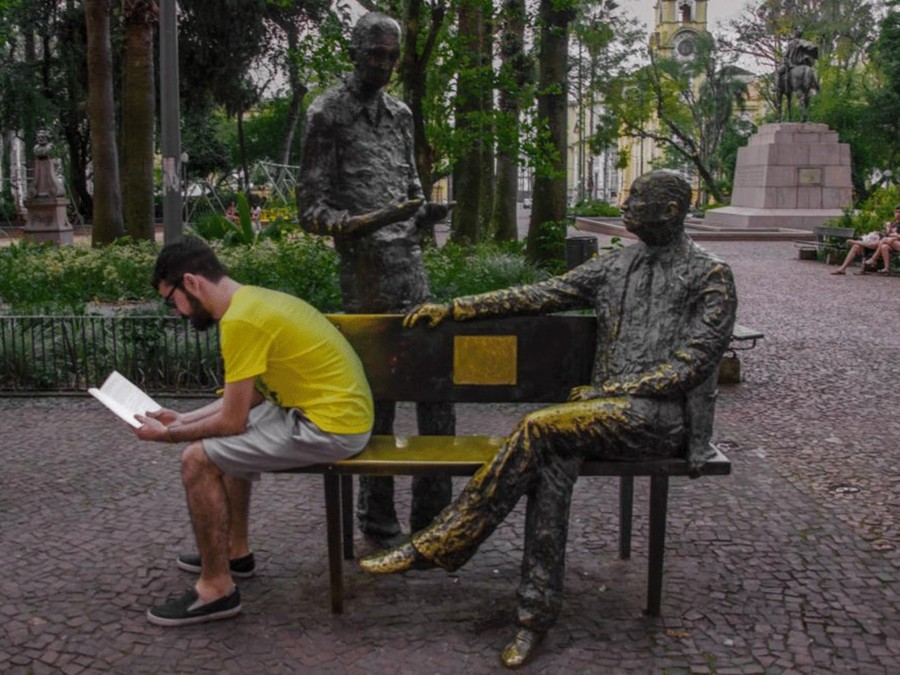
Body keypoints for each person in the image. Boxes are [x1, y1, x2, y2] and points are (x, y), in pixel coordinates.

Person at [359, 171, 738, 668]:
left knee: (541, 427)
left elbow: (695, 363)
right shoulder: (616, 265)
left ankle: (439, 544)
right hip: (593, 417)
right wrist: (454, 308)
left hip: (661, 421)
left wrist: (612, 391)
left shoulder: (710, 274)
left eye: (636, 198)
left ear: (670, 211)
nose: (625, 205)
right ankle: (533, 617)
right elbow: (537, 294)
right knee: (550, 461)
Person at [135, 237, 374, 626]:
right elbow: (253, 398)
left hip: (331, 426)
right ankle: (235, 553)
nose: (176, 312)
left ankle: (216, 590)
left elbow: (233, 421)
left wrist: (171, 436)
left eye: (171, 300)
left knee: (196, 460)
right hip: (326, 413)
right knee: (216, 444)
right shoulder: (253, 302)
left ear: (191, 283)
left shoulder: (241, 322)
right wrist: (183, 419)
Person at [296, 11, 455, 549]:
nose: (385, 65)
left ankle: (435, 518)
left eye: (392, 56)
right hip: (363, 279)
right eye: (375, 54)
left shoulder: (402, 115)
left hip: (413, 275)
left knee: (436, 394)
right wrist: (365, 223)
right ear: (354, 52)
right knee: (377, 402)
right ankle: (378, 518)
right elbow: (311, 210)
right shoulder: (327, 113)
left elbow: (411, 191)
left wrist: (424, 214)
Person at [831, 208, 900, 275]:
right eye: (896, 212)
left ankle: (872, 258)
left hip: (890, 243)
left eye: (899, 212)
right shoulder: (893, 224)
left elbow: (894, 236)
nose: (897, 214)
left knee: (880, 242)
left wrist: (894, 235)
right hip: (884, 242)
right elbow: (887, 234)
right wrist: (888, 229)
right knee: (856, 246)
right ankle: (842, 268)